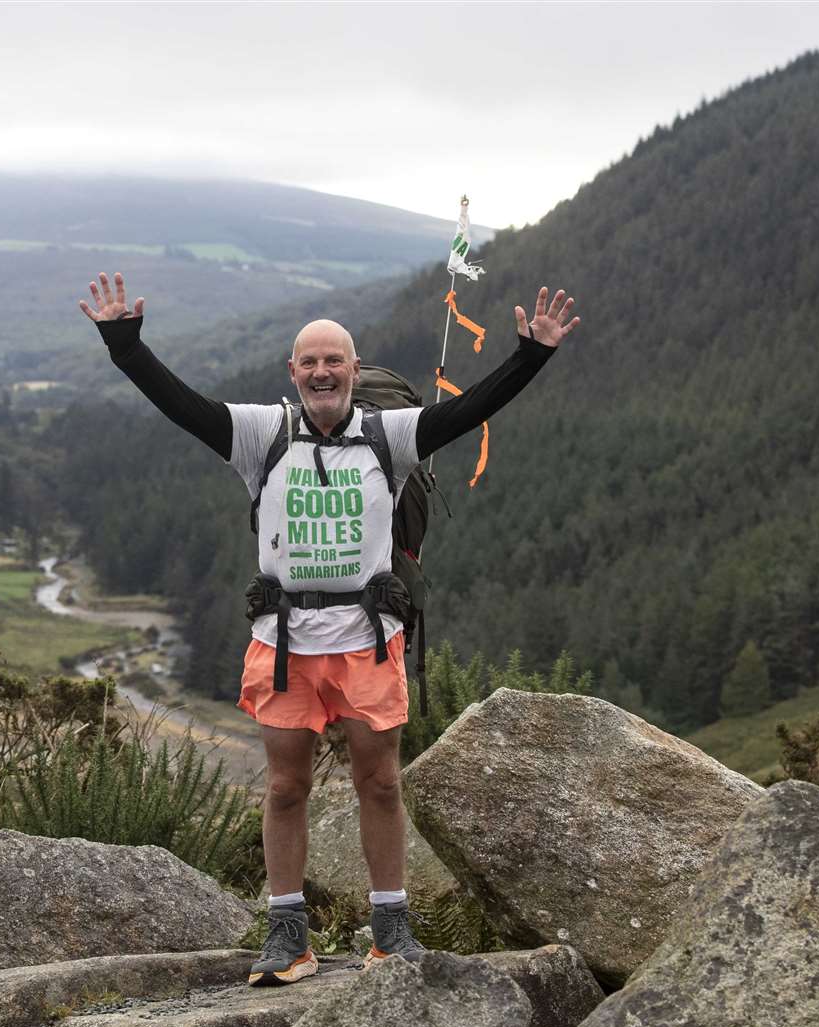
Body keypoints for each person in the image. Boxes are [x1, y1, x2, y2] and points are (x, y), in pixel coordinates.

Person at [78, 270, 579, 986]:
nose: (321, 371)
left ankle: (391, 935)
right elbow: (182, 407)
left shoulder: (390, 436)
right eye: (309, 362)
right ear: (294, 372)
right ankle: (288, 939)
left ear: (352, 368)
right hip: (284, 644)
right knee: (285, 789)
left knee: (380, 785)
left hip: (367, 638)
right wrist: (127, 349)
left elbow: (468, 411)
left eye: (333, 360)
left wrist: (532, 355)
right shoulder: (262, 433)